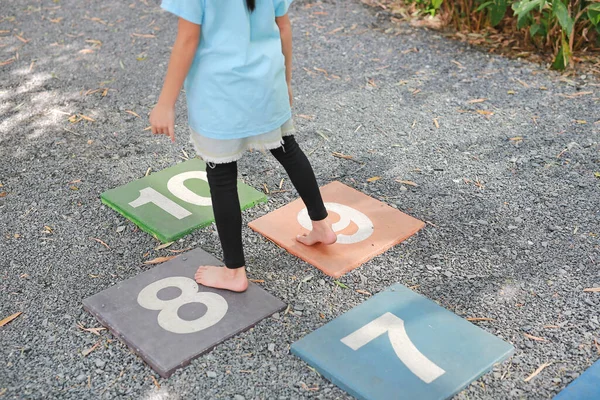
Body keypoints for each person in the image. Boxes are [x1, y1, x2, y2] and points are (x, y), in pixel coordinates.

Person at [149, 0, 336, 292]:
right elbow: (283, 26)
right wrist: (285, 81)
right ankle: (322, 226)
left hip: (221, 93)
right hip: (267, 82)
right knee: (289, 150)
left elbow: (187, 39)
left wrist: (165, 103)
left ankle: (234, 272)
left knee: (221, 177)